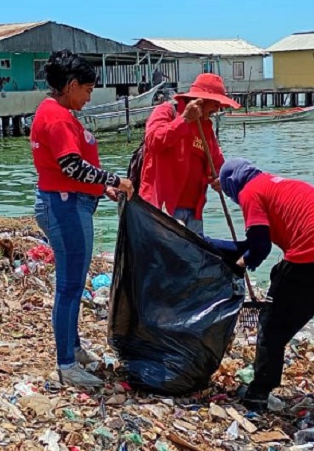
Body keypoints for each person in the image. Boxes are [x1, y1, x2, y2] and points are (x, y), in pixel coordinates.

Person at [208, 158, 314, 434]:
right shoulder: (277, 184)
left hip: (312, 258)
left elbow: (259, 247)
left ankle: (258, 394)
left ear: (233, 186)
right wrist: (212, 245)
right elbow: (252, 245)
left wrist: (240, 265)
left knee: (271, 327)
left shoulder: (250, 192)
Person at [30, 49, 134, 388]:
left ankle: (73, 348)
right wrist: (115, 180)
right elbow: (71, 166)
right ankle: (66, 365)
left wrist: (101, 188)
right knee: (70, 287)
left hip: (65, 201)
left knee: (72, 284)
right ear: (71, 84)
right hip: (65, 207)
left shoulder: (54, 111)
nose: (89, 97)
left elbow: (67, 169)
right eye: (87, 90)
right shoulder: (58, 117)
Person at [139, 73, 238, 235]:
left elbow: (217, 163)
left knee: (194, 250)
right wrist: (184, 119)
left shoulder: (206, 127)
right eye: (215, 103)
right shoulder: (167, 111)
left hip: (194, 212)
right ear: (200, 100)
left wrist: (222, 180)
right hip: (163, 207)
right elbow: (153, 141)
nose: (217, 109)